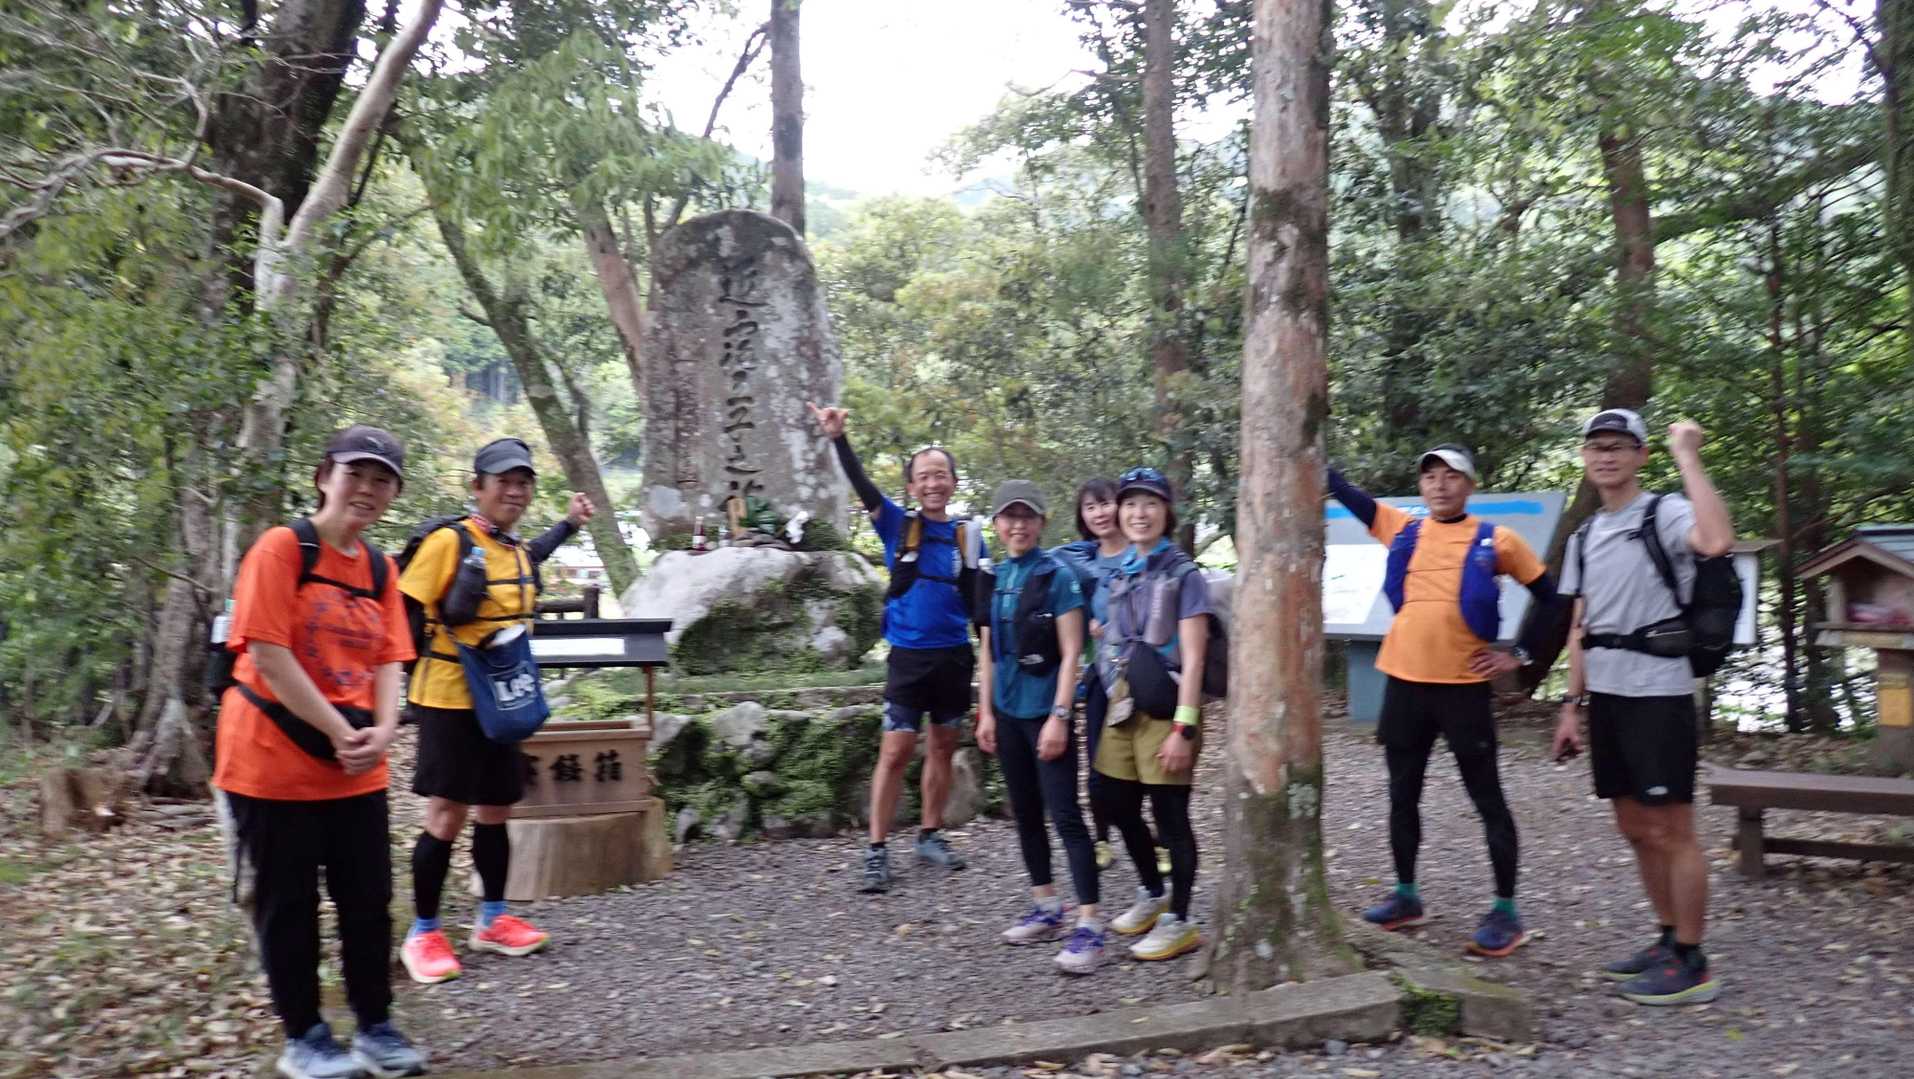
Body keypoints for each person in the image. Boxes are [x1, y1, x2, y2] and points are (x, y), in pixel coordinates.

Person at [213, 425, 427, 1079]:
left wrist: (385, 728)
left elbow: (390, 657)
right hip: (270, 761)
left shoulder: (381, 568)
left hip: (357, 766)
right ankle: (304, 1034)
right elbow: (268, 654)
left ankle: (375, 1026)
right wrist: (339, 729)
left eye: (382, 480)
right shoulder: (282, 549)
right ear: (324, 476)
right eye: (355, 473)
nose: (367, 489)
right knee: (289, 903)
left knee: (368, 900)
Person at [1327, 444, 1559, 958]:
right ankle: (1406, 896)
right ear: (1421, 486)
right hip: (1404, 683)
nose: (1439, 484)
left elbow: (1553, 599)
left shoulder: (1497, 540)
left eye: (1451, 475)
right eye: (1430, 476)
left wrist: (1519, 655)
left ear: (1469, 485)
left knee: (1487, 798)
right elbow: (1352, 498)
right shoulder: (1404, 529)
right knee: (1401, 794)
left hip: (1463, 689)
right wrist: (1318, 466)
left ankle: (1506, 910)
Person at [1552, 410, 1734, 1006]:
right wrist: (1571, 705)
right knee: (1633, 826)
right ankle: (1667, 938)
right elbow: (1581, 625)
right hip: (1608, 695)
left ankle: (1693, 959)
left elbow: (1716, 542)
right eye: (1595, 447)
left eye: (1618, 446)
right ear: (1584, 457)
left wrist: (1689, 455)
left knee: (1672, 829)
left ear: (1640, 455)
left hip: (1658, 690)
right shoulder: (1585, 535)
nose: (1605, 455)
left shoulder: (1665, 512)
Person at [397, 438, 594, 985]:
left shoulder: (510, 547)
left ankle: (492, 919)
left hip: (504, 698)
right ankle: (424, 932)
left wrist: (570, 524)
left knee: (496, 808)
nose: (514, 491)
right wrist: (398, 686)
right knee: (446, 814)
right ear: (477, 486)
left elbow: (533, 556)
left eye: (523, 483)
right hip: (448, 697)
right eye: (503, 481)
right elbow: (402, 610)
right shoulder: (449, 541)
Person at [808, 402, 978, 893]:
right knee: (897, 749)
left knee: (943, 745)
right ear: (911, 486)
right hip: (909, 655)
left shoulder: (967, 536)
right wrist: (839, 439)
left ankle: (930, 834)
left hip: (954, 654)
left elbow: (981, 598)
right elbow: (863, 487)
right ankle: (877, 849)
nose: (933, 483)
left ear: (953, 482)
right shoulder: (898, 525)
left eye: (941, 475)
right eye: (924, 476)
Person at [973, 480, 1101, 973]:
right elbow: (988, 651)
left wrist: (1060, 717)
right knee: (1025, 813)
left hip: (1047, 713)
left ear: (1042, 522)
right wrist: (986, 712)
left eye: (1027, 516)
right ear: (997, 523)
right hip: (1007, 713)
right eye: (1010, 516)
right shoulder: (995, 576)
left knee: (1065, 815)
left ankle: (1090, 925)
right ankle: (1046, 905)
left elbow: (1072, 653)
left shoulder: (1058, 576)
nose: (1018, 525)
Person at [1094, 466, 1211, 962]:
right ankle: (1152, 891)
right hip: (1124, 704)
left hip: (1168, 706)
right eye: (1130, 504)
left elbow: (1195, 656)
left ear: (1167, 512)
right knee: (1114, 803)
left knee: (1170, 815)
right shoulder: (1123, 570)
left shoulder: (1184, 575)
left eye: (1150, 504)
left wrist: (1185, 728)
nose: (1139, 514)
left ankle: (1180, 919)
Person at [1048, 479, 1133, 872]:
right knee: (1099, 767)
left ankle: (1157, 841)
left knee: (1146, 767)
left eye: (1105, 503)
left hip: (1146, 675)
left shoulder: (1144, 552)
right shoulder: (1080, 559)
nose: (1099, 513)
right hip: (1102, 674)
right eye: (1090, 507)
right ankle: (1101, 839)